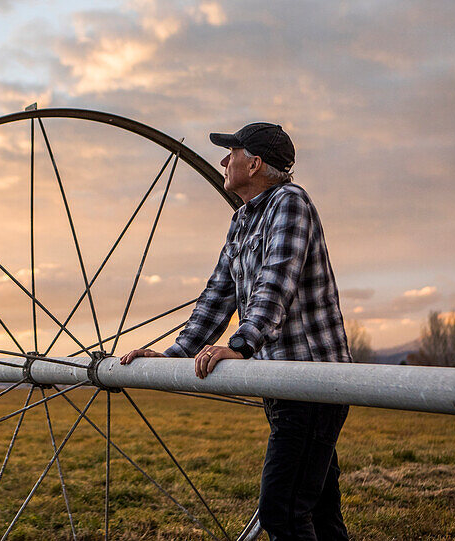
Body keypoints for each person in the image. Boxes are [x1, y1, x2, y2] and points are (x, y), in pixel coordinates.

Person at [120, 122, 352, 541]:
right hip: (282, 383)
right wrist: (175, 355)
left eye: (232, 153)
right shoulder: (244, 219)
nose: (224, 161)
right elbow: (218, 293)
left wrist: (241, 344)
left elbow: (276, 281)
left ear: (255, 163)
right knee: (317, 509)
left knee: (281, 511)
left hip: (313, 382)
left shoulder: (290, 203)